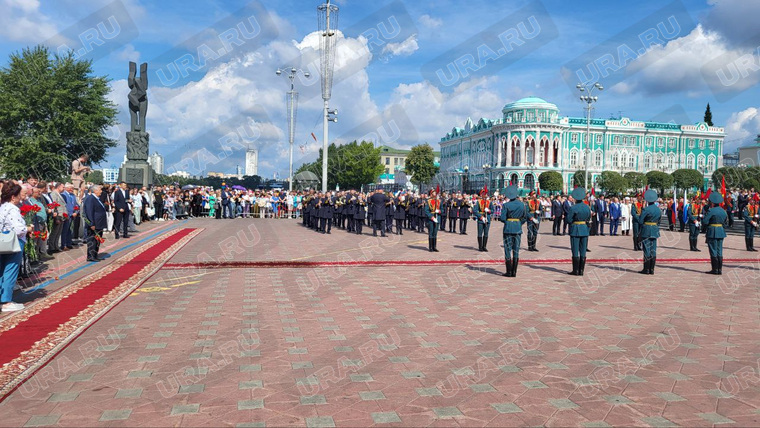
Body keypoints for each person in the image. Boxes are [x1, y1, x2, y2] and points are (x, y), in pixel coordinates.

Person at [0, 181, 31, 312]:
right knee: (10, 270)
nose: (20, 198)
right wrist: (28, 228)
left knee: (2, 270)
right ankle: (6, 301)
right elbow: (18, 229)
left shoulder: (2, 207)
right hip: (13, 242)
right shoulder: (12, 209)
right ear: (13, 196)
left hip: (3, 241)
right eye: (19, 195)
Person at [499, 185, 530, 277]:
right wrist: (518, 223)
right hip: (517, 228)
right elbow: (524, 217)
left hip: (508, 228)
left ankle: (508, 271)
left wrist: (509, 222)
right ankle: (514, 272)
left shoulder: (506, 205)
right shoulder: (522, 205)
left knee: (507, 249)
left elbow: (502, 218)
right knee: (516, 250)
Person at [566, 187, 591, 276]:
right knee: (583, 250)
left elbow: (569, 219)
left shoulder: (573, 207)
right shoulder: (587, 207)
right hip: (584, 229)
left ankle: (575, 270)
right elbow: (588, 218)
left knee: (575, 250)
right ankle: (581, 271)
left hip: (575, 229)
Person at [637, 189, 661, 275]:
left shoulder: (646, 209)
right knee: (653, 249)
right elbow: (659, 221)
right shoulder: (658, 210)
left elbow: (640, 221)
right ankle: (652, 269)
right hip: (654, 230)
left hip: (646, 230)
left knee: (647, 249)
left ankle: (646, 269)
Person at [82, 185, 107, 262]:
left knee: (97, 240)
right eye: (100, 189)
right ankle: (90, 256)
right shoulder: (90, 199)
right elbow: (89, 212)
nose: (101, 191)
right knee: (92, 240)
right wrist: (91, 223)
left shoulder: (97, 198)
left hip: (99, 223)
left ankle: (95, 255)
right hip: (94, 224)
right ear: (95, 191)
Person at [704, 192, 727, 274]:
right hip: (721, 231)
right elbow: (725, 222)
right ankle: (720, 269)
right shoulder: (723, 211)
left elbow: (705, 221)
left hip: (712, 231)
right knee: (719, 250)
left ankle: (715, 269)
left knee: (713, 250)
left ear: (712, 202)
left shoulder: (711, 211)